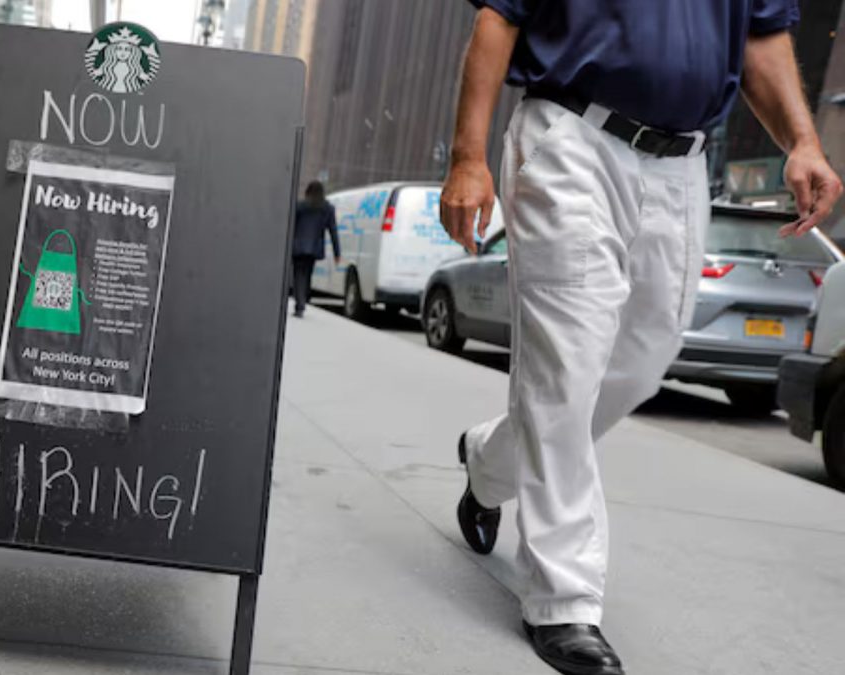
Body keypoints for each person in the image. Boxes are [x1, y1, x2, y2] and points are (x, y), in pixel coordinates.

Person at [439, 3, 842, 675]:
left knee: (638, 364)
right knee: (566, 366)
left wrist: (803, 140)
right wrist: (467, 156)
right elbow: (498, 17)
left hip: (681, 167)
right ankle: (564, 599)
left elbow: (762, 40)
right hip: (571, 137)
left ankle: (490, 462)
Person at [290, 181, 341, 318]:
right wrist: (337, 253)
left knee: (298, 275)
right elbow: (333, 231)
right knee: (307, 275)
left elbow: (291, 226)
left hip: (298, 246)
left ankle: (300, 305)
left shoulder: (300, 206)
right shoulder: (327, 208)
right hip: (314, 248)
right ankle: (303, 300)